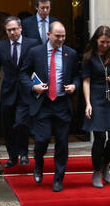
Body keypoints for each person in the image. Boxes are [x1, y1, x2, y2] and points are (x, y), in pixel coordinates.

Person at [20, 21, 80, 192]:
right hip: (43, 103)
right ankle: (38, 163)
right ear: (48, 35)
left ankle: (58, 178)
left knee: (62, 143)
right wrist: (33, 87)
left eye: (63, 36)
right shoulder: (35, 52)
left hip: (62, 103)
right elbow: (23, 73)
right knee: (42, 139)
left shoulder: (71, 53)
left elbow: (76, 76)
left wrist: (74, 86)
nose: (61, 39)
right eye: (57, 36)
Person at [0, 16, 40, 167]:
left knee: (22, 123)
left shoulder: (32, 44)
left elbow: (39, 65)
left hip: (26, 91)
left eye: (15, 29)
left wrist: (40, 85)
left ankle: (23, 153)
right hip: (8, 91)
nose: (12, 32)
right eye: (9, 30)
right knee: (8, 126)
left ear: (20, 29)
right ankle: (12, 156)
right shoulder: (1, 46)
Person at [82, 26, 110, 188]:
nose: (105, 45)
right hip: (96, 97)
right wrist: (88, 103)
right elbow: (86, 80)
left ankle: (105, 164)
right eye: (102, 42)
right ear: (96, 40)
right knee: (99, 137)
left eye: (108, 42)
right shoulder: (89, 56)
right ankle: (95, 171)